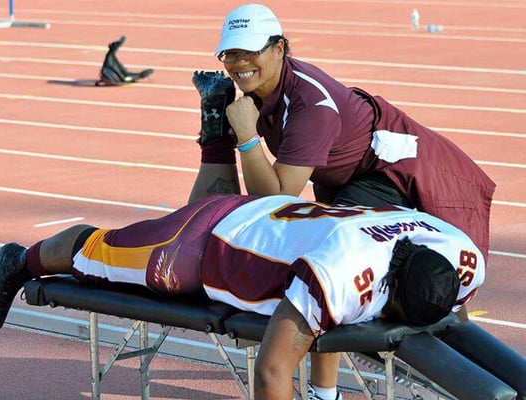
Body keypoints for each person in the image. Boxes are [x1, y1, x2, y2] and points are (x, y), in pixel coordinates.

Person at [188, 4, 496, 397]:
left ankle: (469, 380)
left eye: (250, 52)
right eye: (230, 54)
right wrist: (220, 129)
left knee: (435, 296)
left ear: (280, 49)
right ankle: (325, 391)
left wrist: (246, 137)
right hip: (352, 177)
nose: (238, 63)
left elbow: (275, 201)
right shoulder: (262, 90)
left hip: (400, 173)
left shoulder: (310, 107)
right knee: (329, 262)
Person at [0, 194, 484, 399]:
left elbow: (333, 319)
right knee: (97, 255)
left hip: (285, 223)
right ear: (389, 287)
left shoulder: (458, 256)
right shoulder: (342, 273)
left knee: (323, 309)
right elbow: (271, 369)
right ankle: (19, 260)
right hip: (204, 246)